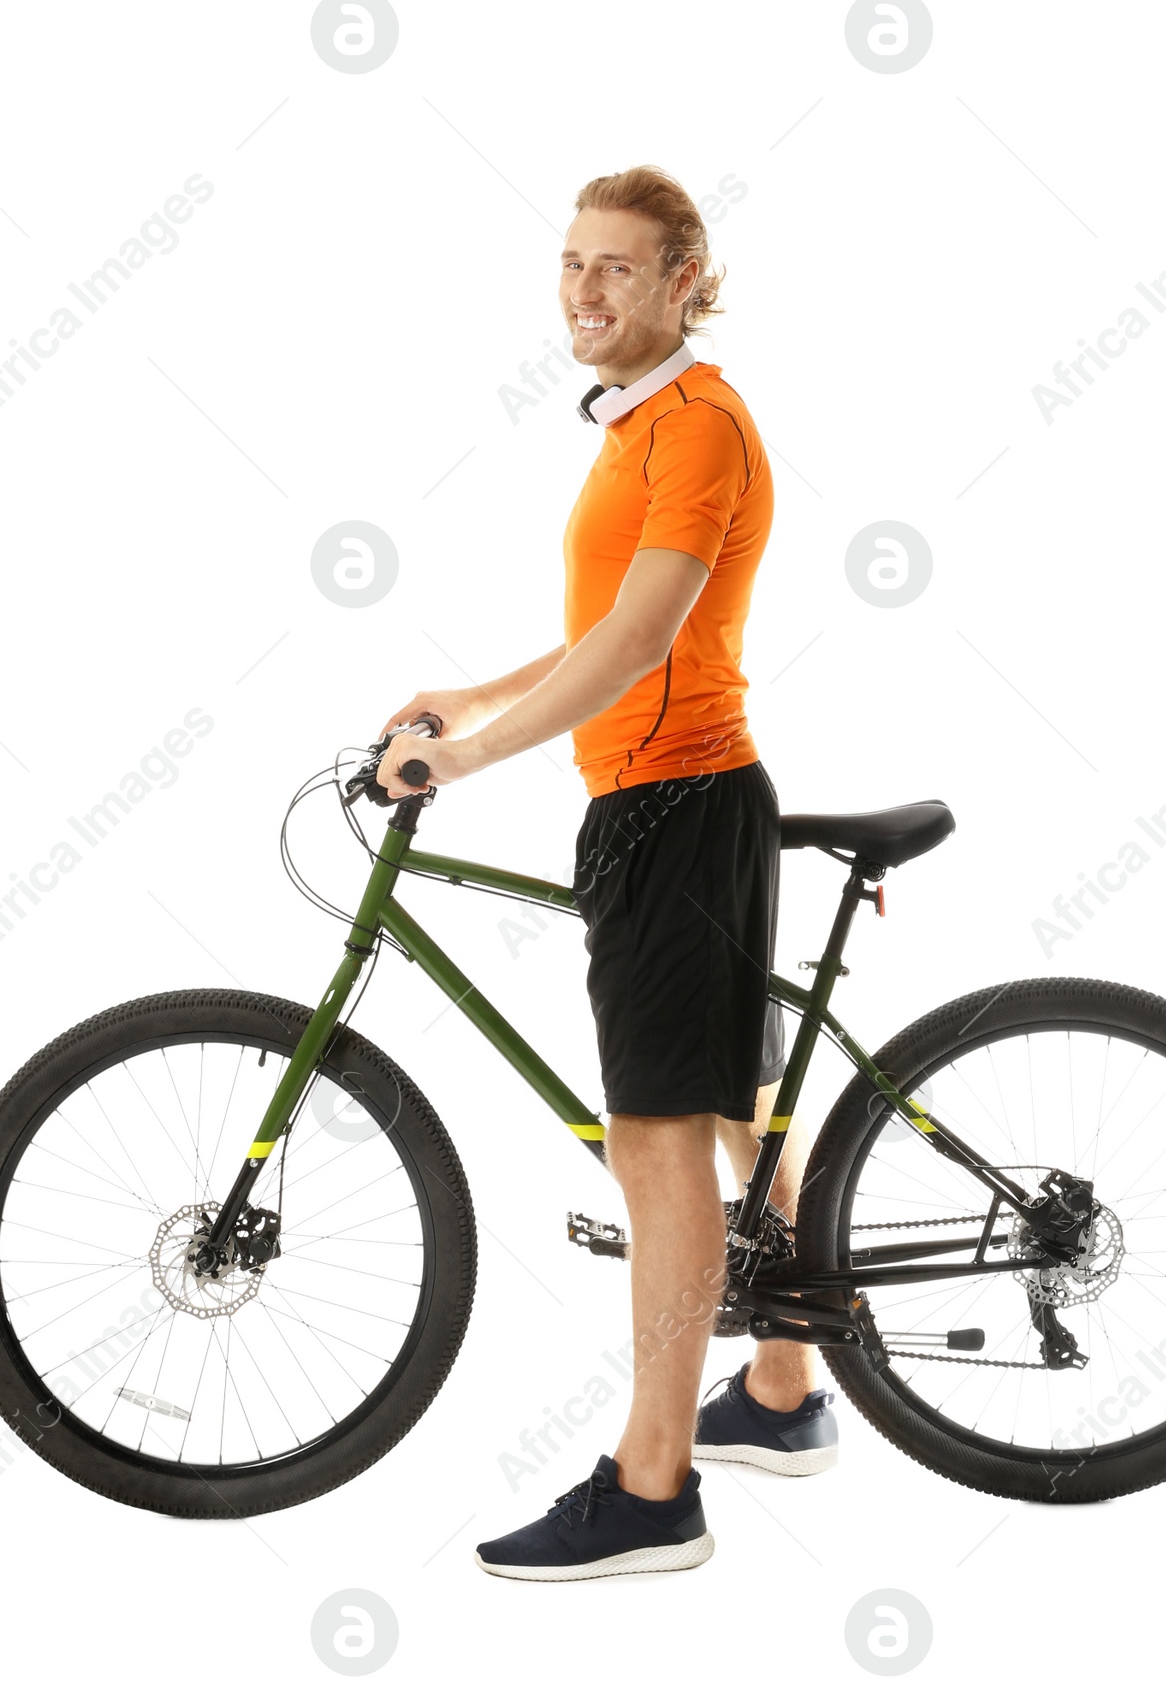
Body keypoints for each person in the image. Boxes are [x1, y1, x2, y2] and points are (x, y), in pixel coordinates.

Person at [376, 165, 836, 1581]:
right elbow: (603, 627)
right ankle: (779, 1395)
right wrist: (471, 694)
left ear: (688, 279)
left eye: (618, 268)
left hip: (676, 805)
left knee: (655, 1139)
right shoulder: (637, 427)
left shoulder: (698, 428)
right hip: (669, 800)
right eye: (572, 264)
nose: (585, 291)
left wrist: (466, 761)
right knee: (737, 1111)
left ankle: (652, 1494)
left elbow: (638, 652)